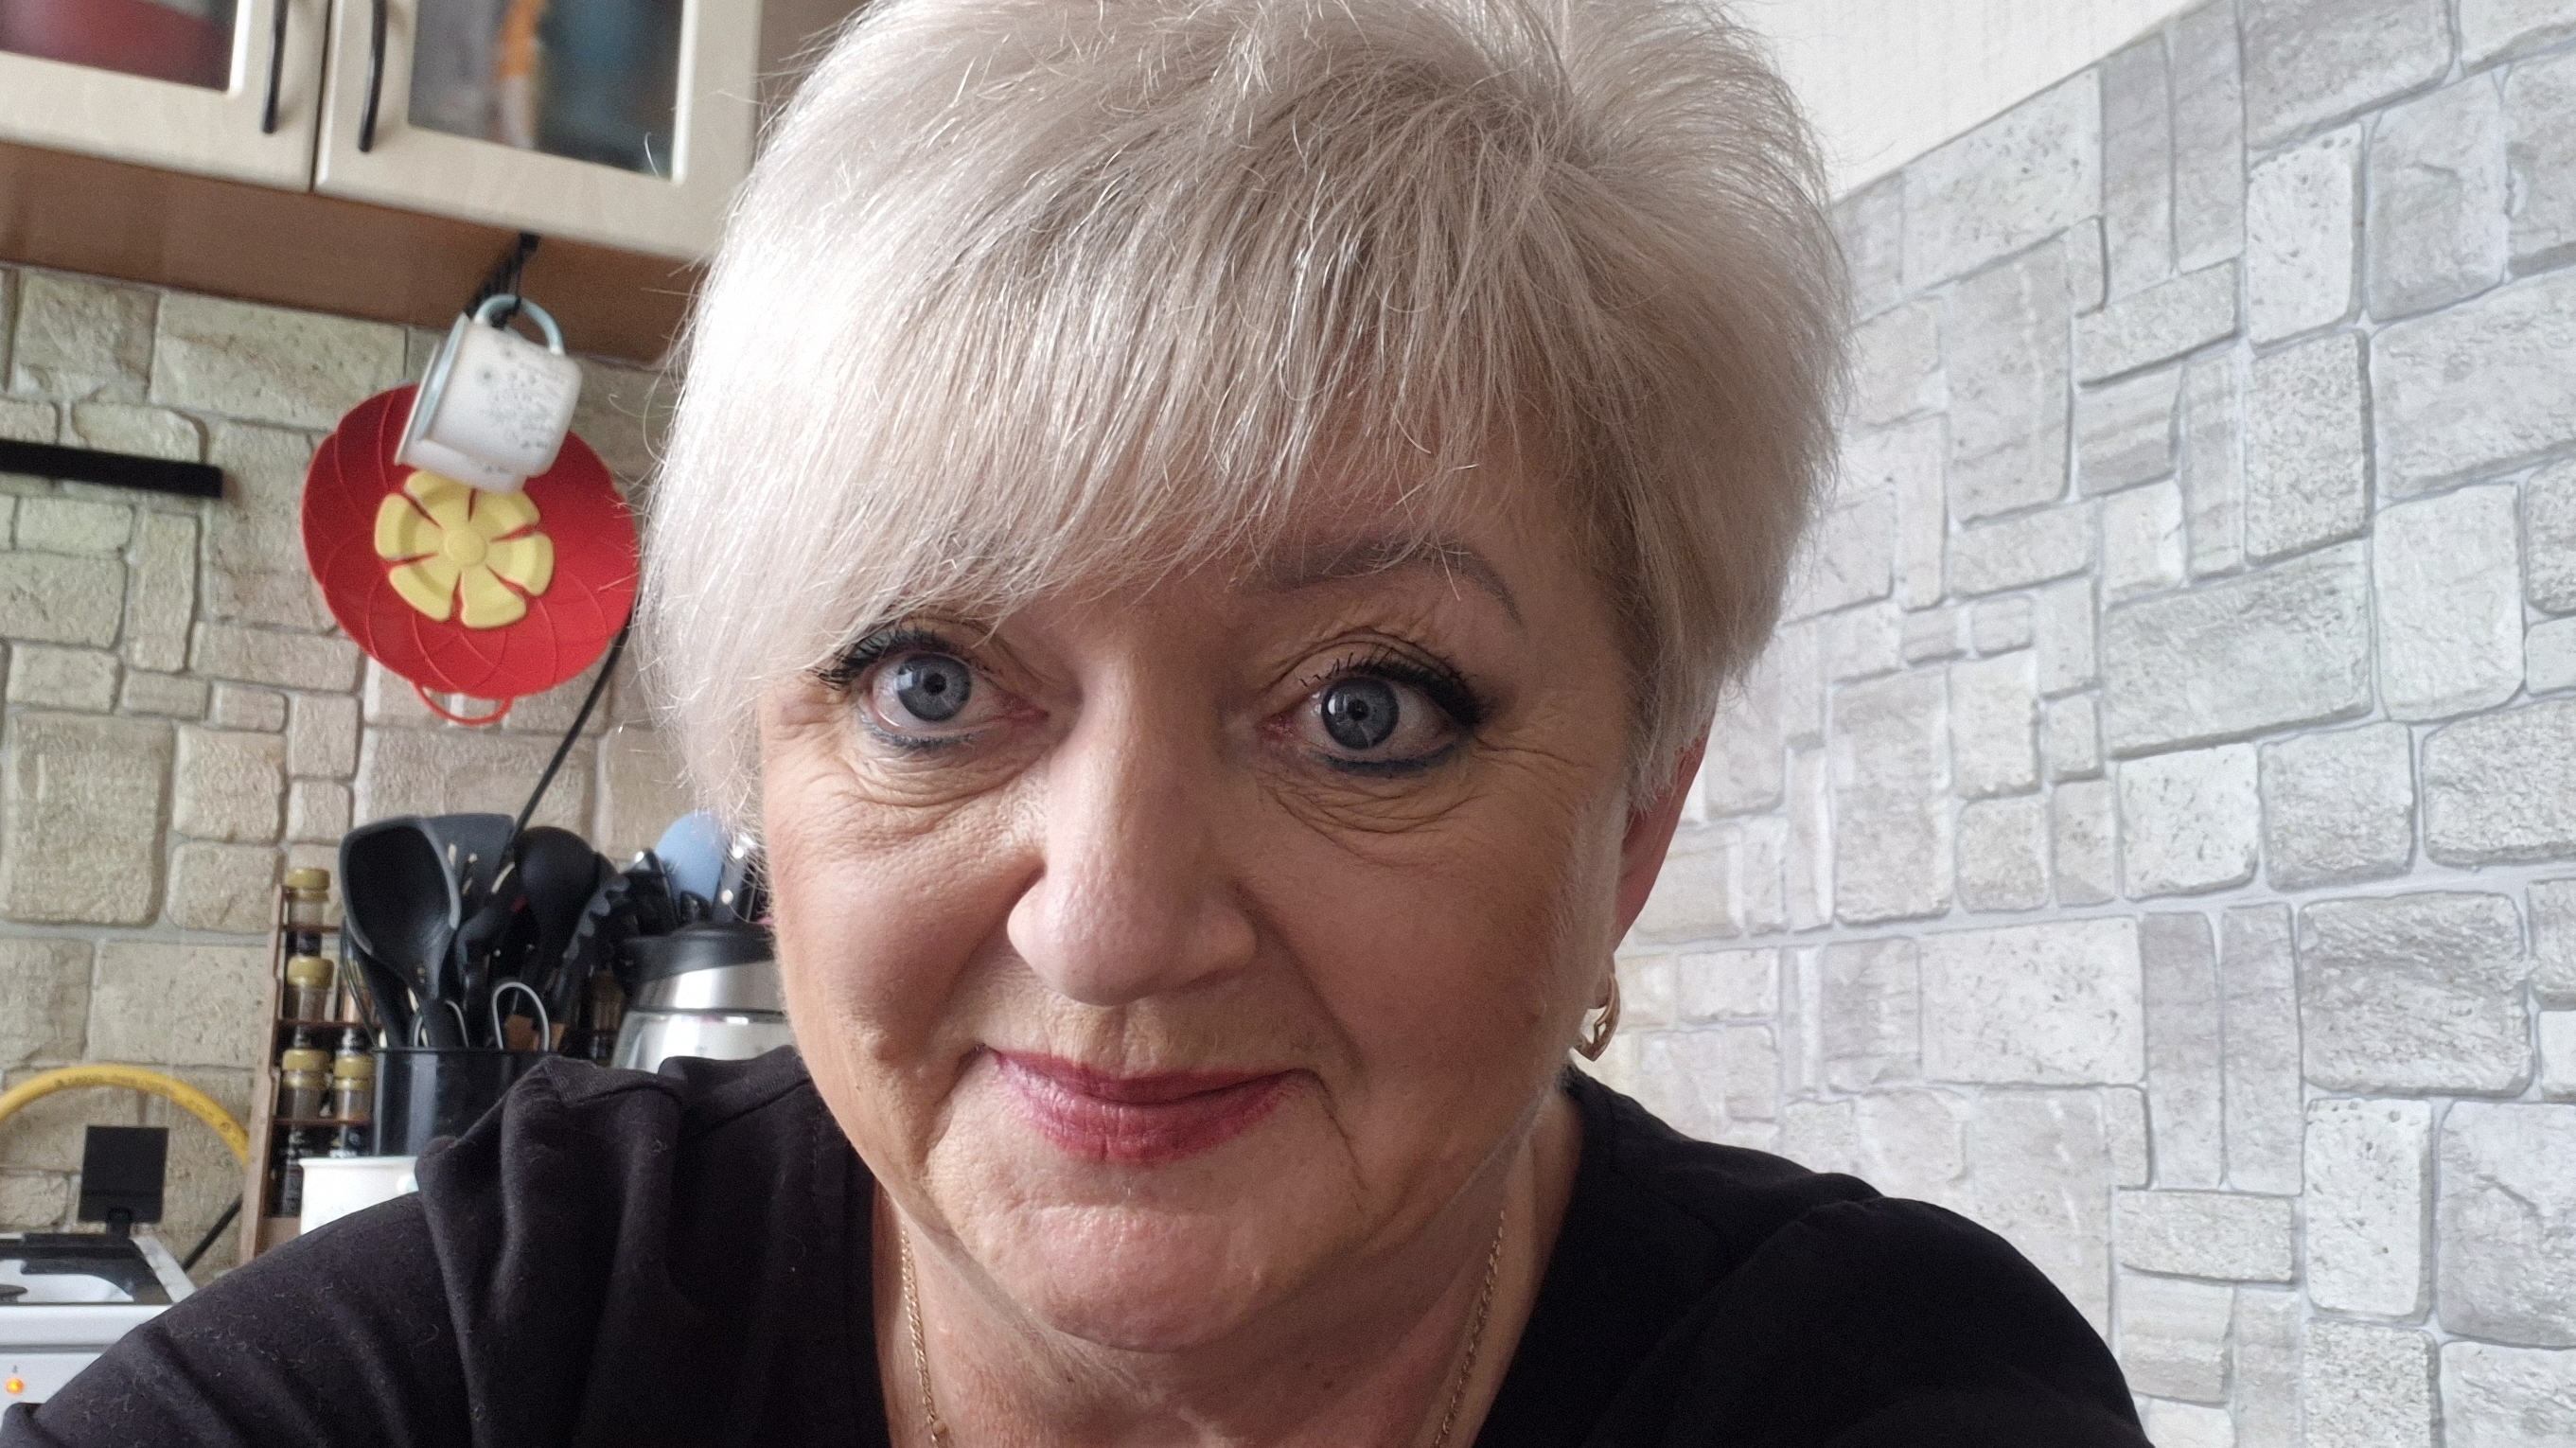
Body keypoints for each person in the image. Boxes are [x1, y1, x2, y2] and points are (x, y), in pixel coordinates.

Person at [6, 1, 2151, 1443]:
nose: (1111, 923)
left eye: (1366, 708)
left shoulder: (1874, 1385)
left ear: (1634, 828)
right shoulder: (516, 1338)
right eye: (930, 685)